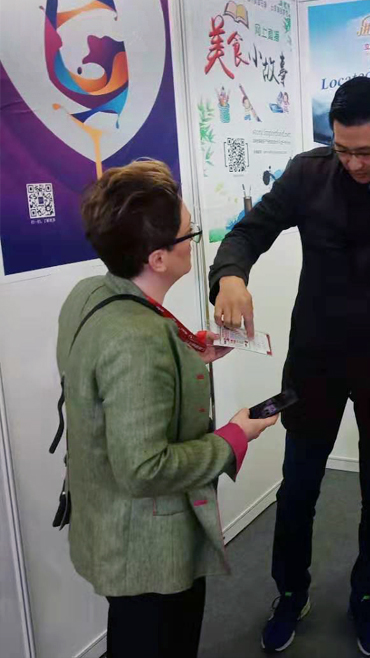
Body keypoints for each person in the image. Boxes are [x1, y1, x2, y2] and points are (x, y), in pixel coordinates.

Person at [209, 77, 370, 656]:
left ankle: (366, 598)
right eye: (342, 149)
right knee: (298, 487)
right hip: (314, 362)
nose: (353, 163)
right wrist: (230, 276)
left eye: (365, 151)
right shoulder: (308, 173)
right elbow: (248, 232)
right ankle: (290, 594)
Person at [56, 160, 278, 658]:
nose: (194, 242)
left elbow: (104, 381)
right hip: (148, 547)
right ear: (158, 258)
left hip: (109, 523)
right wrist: (235, 436)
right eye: (189, 234)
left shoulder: (91, 294)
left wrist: (185, 349)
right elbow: (145, 467)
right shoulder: (138, 340)